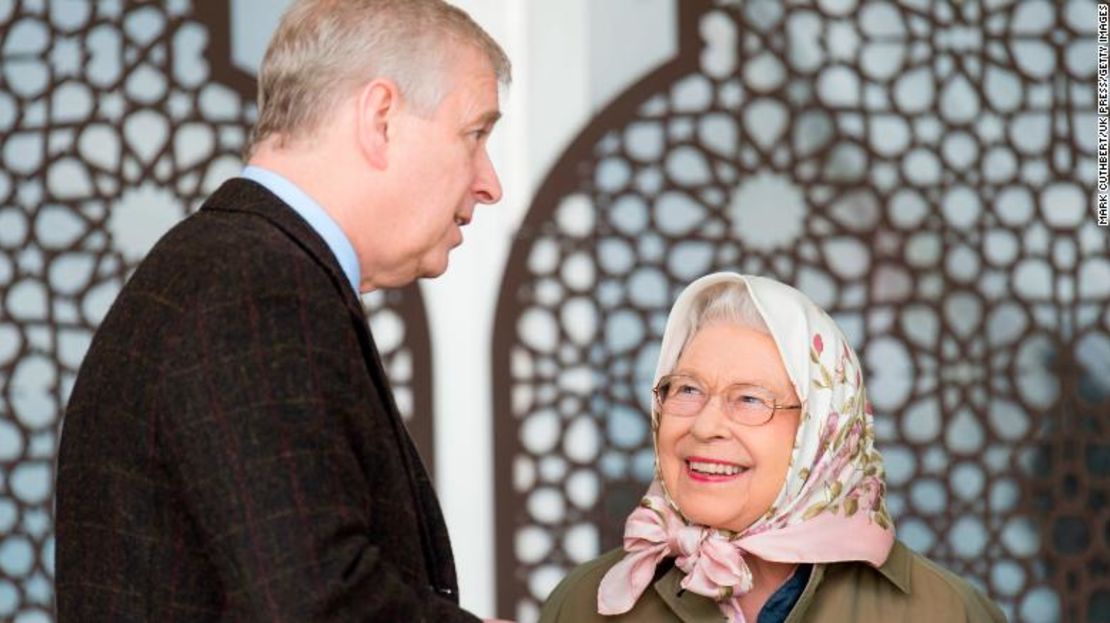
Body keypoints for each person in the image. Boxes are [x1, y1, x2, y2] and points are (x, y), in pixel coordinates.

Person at [55, 1, 513, 620]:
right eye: (476, 134)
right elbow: (314, 602)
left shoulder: (233, 268)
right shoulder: (255, 288)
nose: (489, 183)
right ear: (381, 118)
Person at [539, 273, 1005, 623]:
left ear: (822, 437)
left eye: (749, 400)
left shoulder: (942, 612)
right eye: (686, 390)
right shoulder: (587, 603)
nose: (705, 425)